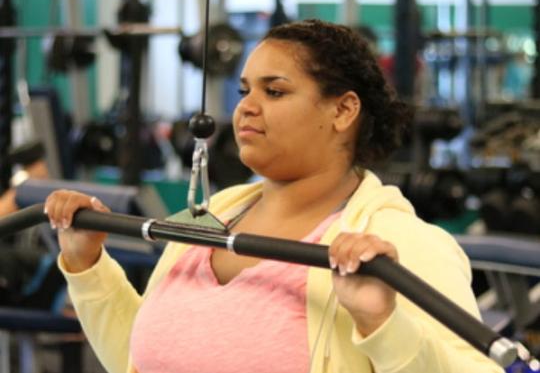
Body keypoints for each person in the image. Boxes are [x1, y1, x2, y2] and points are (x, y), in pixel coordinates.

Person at [44, 19, 504, 373]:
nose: (246, 106)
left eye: (275, 91)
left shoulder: (396, 243)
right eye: (245, 90)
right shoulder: (210, 217)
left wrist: (382, 324)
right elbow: (139, 357)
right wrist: (88, 268)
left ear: (343, 110)